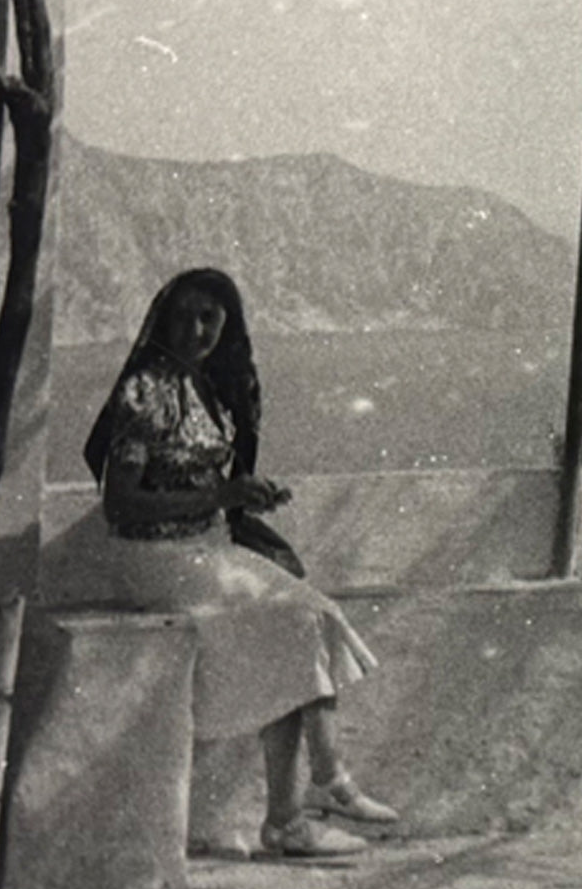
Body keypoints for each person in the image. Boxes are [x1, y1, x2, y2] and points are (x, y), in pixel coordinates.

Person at [83, 268, 399, 857]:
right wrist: (219, 498)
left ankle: (289, 819)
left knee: (305, 624)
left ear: (228, 323)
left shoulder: (208, 385)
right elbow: (119, 502)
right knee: (299, 621)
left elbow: (205, 478)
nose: (195, 329)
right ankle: (328, 785)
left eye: (209, 317)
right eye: (183, 316)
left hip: (206, 548)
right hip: (153, 557)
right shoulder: (145, 391)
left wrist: (246, 496)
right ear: (161, 318)